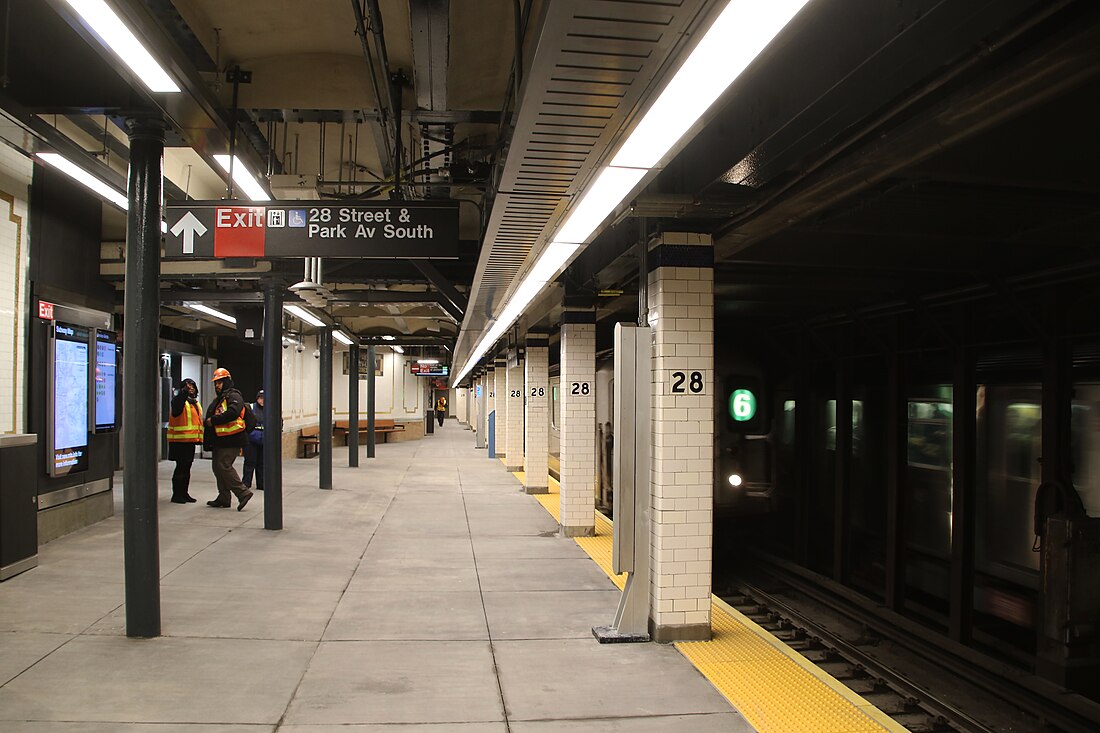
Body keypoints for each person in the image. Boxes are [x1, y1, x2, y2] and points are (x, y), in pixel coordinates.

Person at [203, 367, 253, 510]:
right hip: (220, 440)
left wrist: (213, 420)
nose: (217, 385)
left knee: (224, 466)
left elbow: (233, 412)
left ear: (226, 381)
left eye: (219, 382)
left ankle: (243, 493)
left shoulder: (233, 396)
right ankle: (224, 497)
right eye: (215, 383)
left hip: (231, 440)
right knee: (217, 468)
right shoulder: (220, 398)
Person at [166, 378, 202, 503]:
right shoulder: (179, 400)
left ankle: (184, 493)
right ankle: (176, 494)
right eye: (188, 386)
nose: (191, 388)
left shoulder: (194, 403)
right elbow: (176, 411)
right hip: (179, 441)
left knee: (186, 468)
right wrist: (183, 392)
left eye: (192, 386)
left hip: (190, 441)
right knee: (180, 468)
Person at [243, 389, 265, 490]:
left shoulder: (270, 408)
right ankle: (246, 483)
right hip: (251, 439)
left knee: (261, 463)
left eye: (264, 398)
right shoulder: (250, 407)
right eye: (260, 398)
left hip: (264, 439)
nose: (262, 401)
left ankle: (261, 483)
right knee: (249, 462)